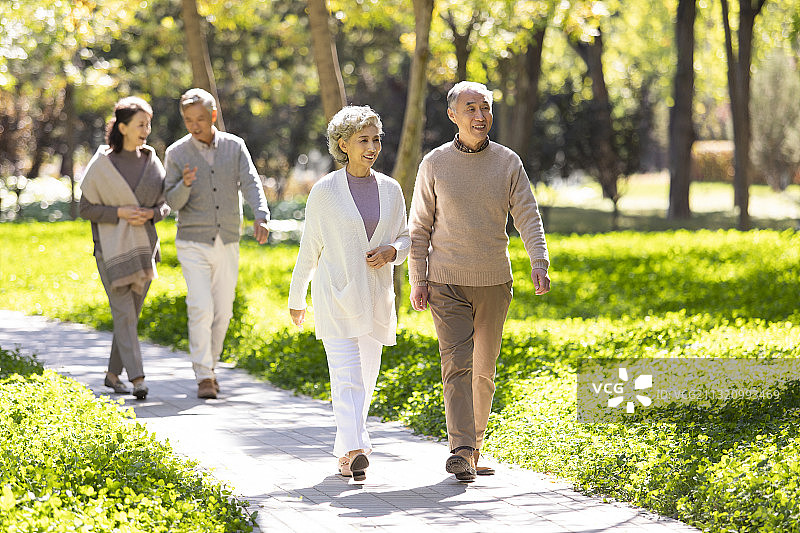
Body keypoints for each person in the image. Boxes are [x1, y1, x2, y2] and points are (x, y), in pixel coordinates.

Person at [408, 81, 551, 482]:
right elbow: (418, 227)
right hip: (445, 282)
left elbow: (527, 215)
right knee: (456, 364)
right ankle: (461, 449)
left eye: (485, 107)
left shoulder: (508, 162)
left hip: (492, 281)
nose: (480, 115)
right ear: (453, 115)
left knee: (483, 369)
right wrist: (418, 277)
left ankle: (475, 447)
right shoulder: (434, 163)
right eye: (470, 108)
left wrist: (538, 261)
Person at [288, 106, 410, 481]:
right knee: (346, 378)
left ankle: (346, 452)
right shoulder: (325, 191)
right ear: (343, 144)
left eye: (376, 140)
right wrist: (297, 298)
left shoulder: (391, 190)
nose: (372, 147)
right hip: (336, 297)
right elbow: (310, 248)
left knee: (366, 380)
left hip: (376, 299)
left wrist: (393, 252)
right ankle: (356, 450)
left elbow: (406, 237)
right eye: (363, 141)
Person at [164, 88, 270, 400]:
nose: (194, 125)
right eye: (188, 120)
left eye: (200, 118)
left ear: (212, 115)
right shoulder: (176, 153)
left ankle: (210, 365)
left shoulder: (235, 146)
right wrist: (184, 185)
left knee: (222, 310)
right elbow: (170, 201)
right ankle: (204, 375)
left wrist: (261, 215)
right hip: (192, 241)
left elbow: (250, 181)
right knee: (201, 306)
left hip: (227, 239)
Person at [79, 96, 170, 400]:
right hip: (110, 252)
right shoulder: (102, 164)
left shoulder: (152, 162)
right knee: (125, 314)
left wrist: (152, 214)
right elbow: (85, 208)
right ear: (122, 127)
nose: (147, 129)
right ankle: (138, 378)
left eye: (148, 123)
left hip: (145, 250)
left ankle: (111, 375)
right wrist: (119, 212)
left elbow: (163, 205)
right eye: (140, 124)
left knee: (128, 316)